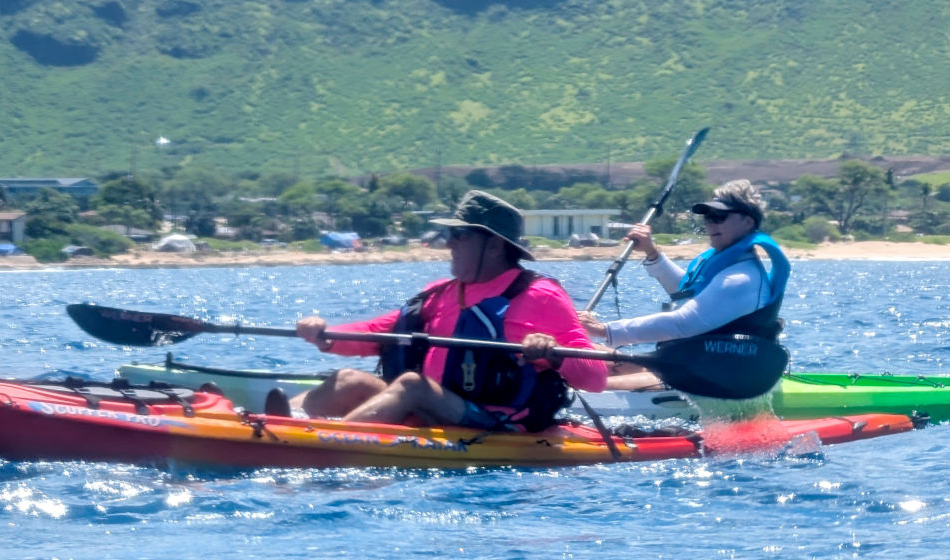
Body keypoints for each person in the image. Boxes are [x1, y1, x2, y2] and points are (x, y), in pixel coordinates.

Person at [294, 190, 607, 430]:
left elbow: (596, 378)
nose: (449, 244)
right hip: (431, 409)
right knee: (349, 379)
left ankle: (325, 443)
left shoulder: (540, 296)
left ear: (495, 246)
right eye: (450, 235)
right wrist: (326, 335)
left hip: (491, 423)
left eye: (460, 235)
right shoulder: (442, 292)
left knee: (411, 384)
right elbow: (379, 332)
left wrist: (555, 353)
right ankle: (276, 423)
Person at [580, 180, 790, 395]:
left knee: (587, 387)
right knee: (578, 352)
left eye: (719, 217)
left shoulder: (741, 278)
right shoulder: (727, 266)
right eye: (708, 217)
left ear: (747, 221)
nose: (710, 224)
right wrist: (652, 253)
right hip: (688, 366)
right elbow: (687, 291)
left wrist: (603, 330)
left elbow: (683, 324)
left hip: (715, 380)